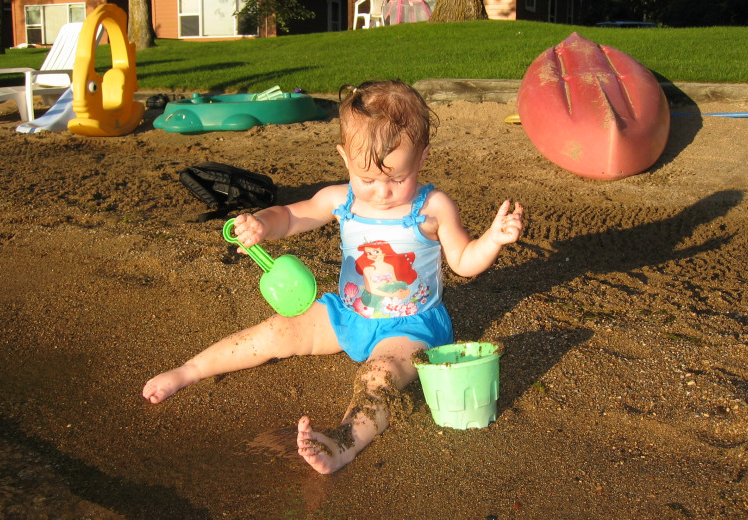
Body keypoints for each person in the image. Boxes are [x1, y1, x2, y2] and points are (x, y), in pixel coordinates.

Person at [142, 79, 523, 474]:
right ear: (345, 157)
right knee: (277, 331)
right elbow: (290, 215)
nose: (382, 192)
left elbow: (463, 260)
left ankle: (343, 442)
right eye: (368, 178)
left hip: (411, 327)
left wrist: (493, 239)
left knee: (381, 375)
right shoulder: (339, 199)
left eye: (396, 178)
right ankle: (190, 370)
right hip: (347, 313)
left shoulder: (434, 207)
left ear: (422, 157)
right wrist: (260, 224)